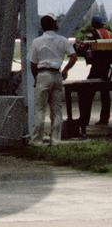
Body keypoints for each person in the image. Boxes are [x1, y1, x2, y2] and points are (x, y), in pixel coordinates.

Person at [29, 14, 77, 145]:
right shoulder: (62, 40)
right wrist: (65, 70)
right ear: (54, 24)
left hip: (43, 74)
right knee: (56, 110)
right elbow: (73, 56)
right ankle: (55, 140)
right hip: (57, 74)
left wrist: (36, 78)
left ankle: (37, 140)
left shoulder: (37, 41)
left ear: (42, 26)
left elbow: (33, 63)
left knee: (40, 109)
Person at [78, 15, 112, 134]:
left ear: (93, 24)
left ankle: (85, 119)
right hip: (107, 69)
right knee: (105, 94)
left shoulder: (92, 34)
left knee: (87, 93)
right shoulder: (108, 33)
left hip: (96, 68)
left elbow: (82, 48)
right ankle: (104, 119)